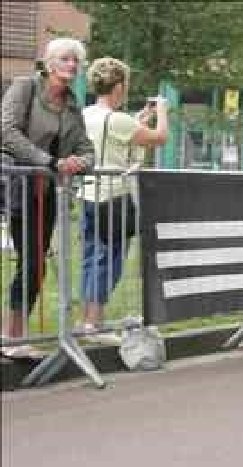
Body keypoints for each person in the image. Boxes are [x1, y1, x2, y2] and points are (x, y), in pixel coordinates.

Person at [1, 37, 95, 359]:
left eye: (76, 60)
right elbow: (7, 132)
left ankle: (15, 336)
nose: (72, 65)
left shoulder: (72, 103)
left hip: (48, 193)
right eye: (66, 58)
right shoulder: (25, 87)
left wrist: (78, 162)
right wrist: (50, 162)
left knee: (36, 265)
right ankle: (11, 337)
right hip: (19, 185)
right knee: (30, 263)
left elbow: (86, 149)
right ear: (50, 62)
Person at [79, 57, 168, 343]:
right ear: (118, 86)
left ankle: (88, 321)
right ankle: (95, 325)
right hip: (114, 197)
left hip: (88, 194)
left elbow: (119, 137)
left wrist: (139, 120)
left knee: (91, 258)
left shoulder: (87, 114)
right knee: (109, 261)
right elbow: (160, 138)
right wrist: (162, 111)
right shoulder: (117, 120)